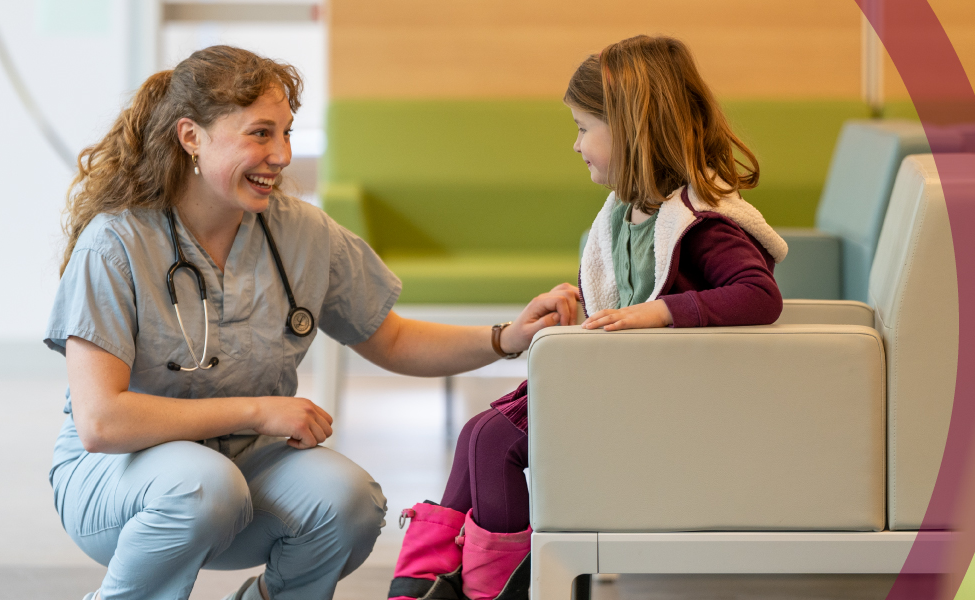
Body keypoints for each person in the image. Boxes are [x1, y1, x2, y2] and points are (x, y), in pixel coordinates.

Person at [44, 45, 581, 600]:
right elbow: (101, 421)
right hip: (120, 478)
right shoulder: (116, 244)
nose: (281, 155)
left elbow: (392, 338)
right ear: (191, 138)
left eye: (287, 133)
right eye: (259, 134)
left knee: (348, 502)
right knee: (204, 486)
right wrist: (260, 411)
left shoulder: (301, 233)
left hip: (242, 468)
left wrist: (506, 339)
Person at [386, 35, 789, 600]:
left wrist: (661, 314)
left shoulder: (704, 220)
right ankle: (420, 585)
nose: (575, 145)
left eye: (582, 127)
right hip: (622, 388)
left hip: (663, 405)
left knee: (494, 441)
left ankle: (488, 592)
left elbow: (758, 295)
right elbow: (623, 290)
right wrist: (578, 303)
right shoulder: (633, 213)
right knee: (476, 432)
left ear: (629, 129)